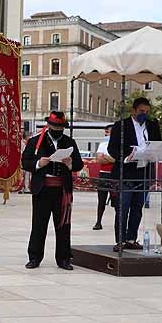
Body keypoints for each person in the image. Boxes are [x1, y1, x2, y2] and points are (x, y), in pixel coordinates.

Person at [21, 111, 84, 270]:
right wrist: (38, 164)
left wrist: (70, 164)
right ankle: (34, 257)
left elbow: (79, 164)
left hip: (62, 190)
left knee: (63, 225)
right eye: (55, 126)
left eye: (60, 127)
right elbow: (25, 161)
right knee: (39, 224)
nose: (57, 129)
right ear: (48, 125)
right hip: (42, 189)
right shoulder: (36, 141)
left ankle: (63, 258)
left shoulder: (69, 142)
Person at [108, 97, 162, 251]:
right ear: (133, 110)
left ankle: (131, 239)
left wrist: (154, 153)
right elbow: (112, 148)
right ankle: (120, 240)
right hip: (126, 171)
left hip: (144, 171)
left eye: (146, 112)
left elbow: (157, 144)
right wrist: (126, 157)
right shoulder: (121, 126)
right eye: (141, 111)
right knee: (123, 208)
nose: (143, 114)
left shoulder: (152, 125)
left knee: (137, 208)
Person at [94, 124, 114, 230]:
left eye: (108, 132)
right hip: (104, 174)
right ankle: (98, 221)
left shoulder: (118, 145)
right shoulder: (103, 145)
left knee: (117, 201)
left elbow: (119, 160)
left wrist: (107, 158)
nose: (106, 134)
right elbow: (99, 159)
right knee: (101, 200)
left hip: (114, 174)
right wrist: (111, 159)